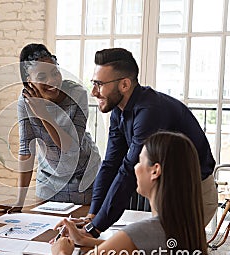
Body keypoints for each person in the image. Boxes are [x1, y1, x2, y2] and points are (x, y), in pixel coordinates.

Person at [81, 48, 217, 238]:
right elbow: (111, 164)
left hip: (192, 194)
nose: (94, 92)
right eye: (93, 83)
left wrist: (95, 229)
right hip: (165, 192)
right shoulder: (119, 111)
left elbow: (128, 171)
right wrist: (92, 215)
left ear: (125, 84)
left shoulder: (149, 112)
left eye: (99, 84)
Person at [52, 131, 208, 255]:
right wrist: (84, 240)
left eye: (140, 161)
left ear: (155, 171)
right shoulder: (184, 226)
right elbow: (141, 248)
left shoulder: (145, 231)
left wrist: (61, 254)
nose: (135, 167)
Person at [0, 43, 101, 213]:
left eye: (55, 73)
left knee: (79, 232)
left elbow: (70, 148)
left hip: (84, 177)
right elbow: (27, 149)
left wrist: (43, 113)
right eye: (42, 76)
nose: (52, 81)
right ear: (29, 81)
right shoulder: (25, 101)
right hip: (49, 179)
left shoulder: (77, 94)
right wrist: (19, 202)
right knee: (43, 234)